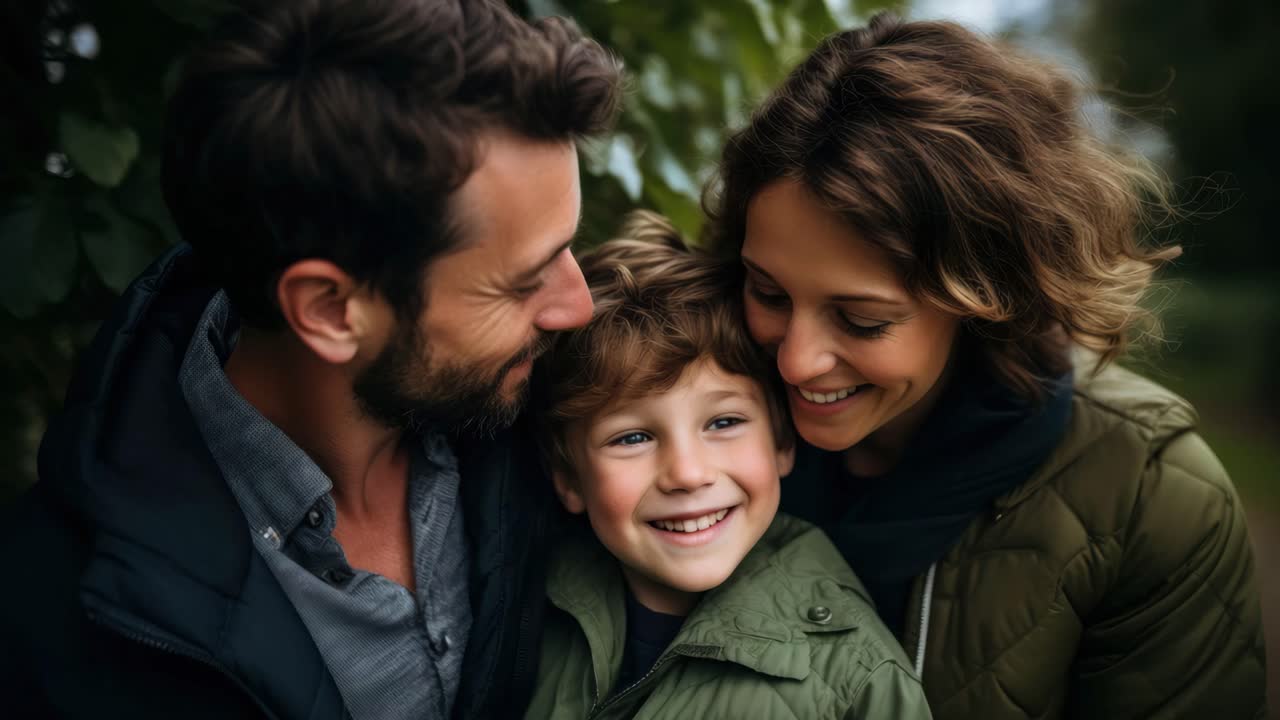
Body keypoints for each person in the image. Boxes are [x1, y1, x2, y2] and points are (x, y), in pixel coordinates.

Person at [0, 1, 620, 718]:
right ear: (328, 309)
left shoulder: (570, 413)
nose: (578, 307)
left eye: (569, 248)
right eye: (522, 281)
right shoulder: (51, 628)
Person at [704, 12, 1268, 720]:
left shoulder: (1149, 498)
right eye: (769, 293)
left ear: (987, 295)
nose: (795, 360)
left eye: (863, 320)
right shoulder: (675, 421)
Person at [524, 212, 933, 719]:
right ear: (567, 479)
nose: (688, 473)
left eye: (723, 423)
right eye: (632, 437)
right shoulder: (526, 616)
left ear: (783, 442)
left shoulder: (857, 684)